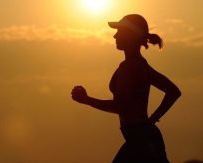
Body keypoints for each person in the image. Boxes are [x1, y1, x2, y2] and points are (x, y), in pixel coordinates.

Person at [71, 14, 181, 163]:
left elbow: (120, 106)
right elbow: (173, 92)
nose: (114, 36)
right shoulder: (141, 65)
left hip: (141, 141)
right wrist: (151, 121)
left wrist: (86, 100)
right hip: (144, 138)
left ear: (131, 35)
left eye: (119, 31)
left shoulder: (129, 67)